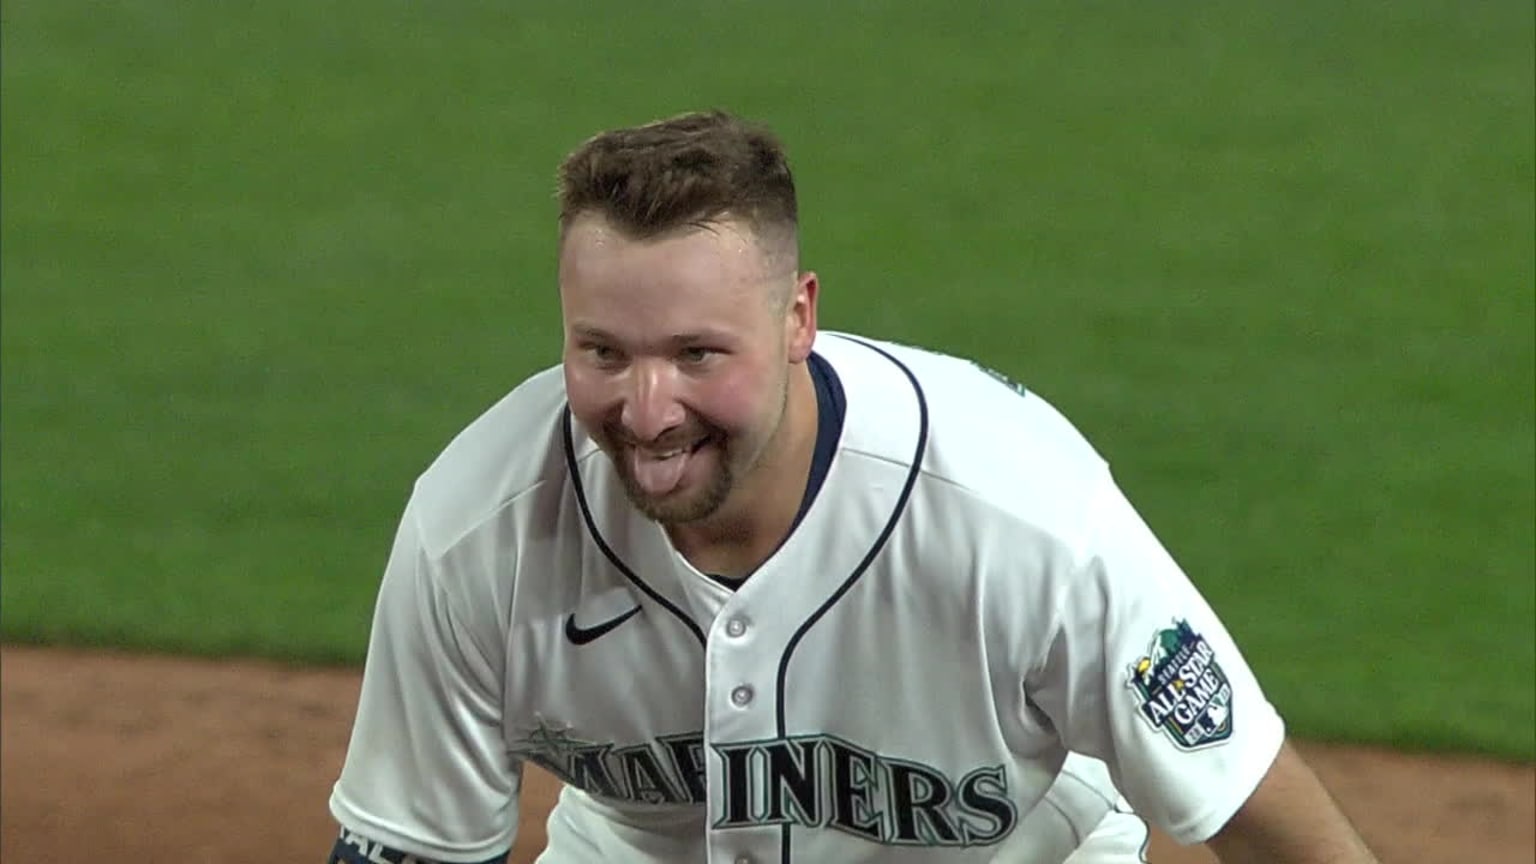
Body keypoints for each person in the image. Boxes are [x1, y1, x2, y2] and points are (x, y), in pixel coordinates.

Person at [327, 110, 1378, 863]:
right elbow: (406, 847)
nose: (646, 413)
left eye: (697, 355)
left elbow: (1259, 811)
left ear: (798, 319)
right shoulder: (478, 527)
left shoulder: (1019, 513)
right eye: (603, 352)